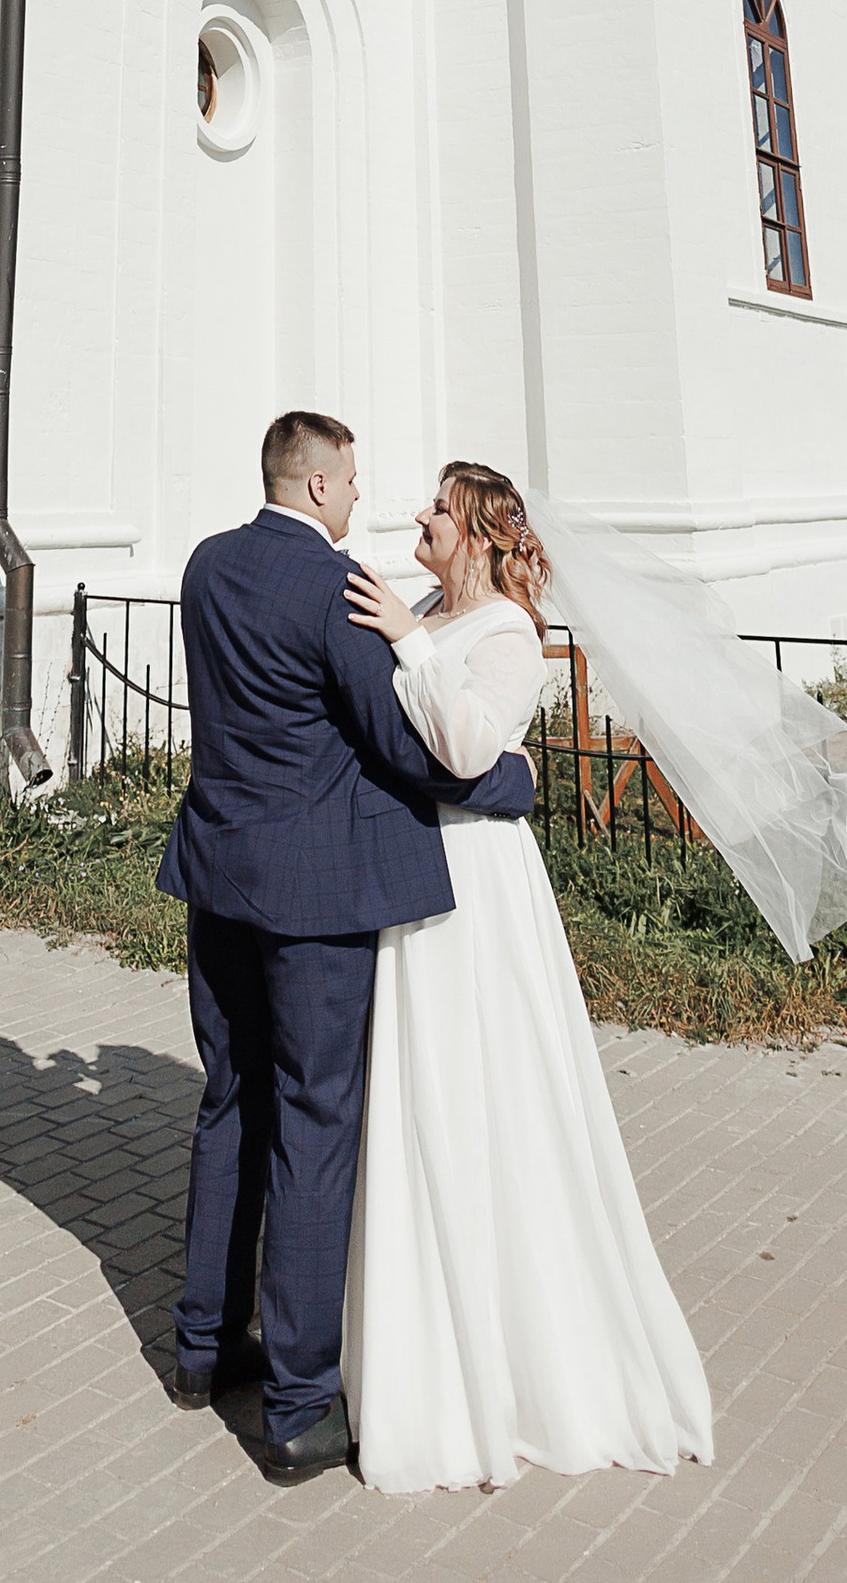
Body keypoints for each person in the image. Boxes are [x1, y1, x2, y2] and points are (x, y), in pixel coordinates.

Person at [155, 411, 539, 1483]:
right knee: (314, 1132)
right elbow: (407, 748)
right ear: (319, 487)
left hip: (214, 877)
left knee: (228, 1103)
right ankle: (295, 1408)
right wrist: (511, 781)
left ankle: (200, 1350)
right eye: (356, 481)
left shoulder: (206, 565)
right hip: (312, 904)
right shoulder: (335, 593)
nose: (365, 498)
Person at [339, 461, 718, 1494]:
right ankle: (424, 1343)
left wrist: (412, 649)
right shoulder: (423, 605)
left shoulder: (508, 631)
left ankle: (513, 1363)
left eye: (437, 511)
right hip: (416, 863)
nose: (418, 516)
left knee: (482, 1091)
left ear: (479, 536)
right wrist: (407, 637)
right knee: (421, 1097)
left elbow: (464, 748)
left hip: (473, 882)